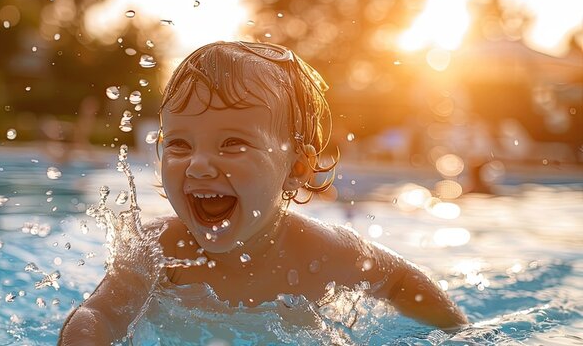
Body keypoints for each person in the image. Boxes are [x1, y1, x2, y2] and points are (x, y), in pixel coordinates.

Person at [59, 41, 467, 344]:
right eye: (179, 145)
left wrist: (459, 332)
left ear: (296, 168)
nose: (197, 164)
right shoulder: (157, 250)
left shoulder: (325, 252)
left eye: (232, 144)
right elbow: (101, 314)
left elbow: (398, 281)